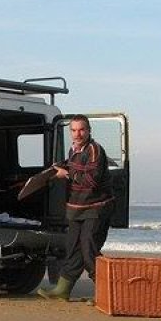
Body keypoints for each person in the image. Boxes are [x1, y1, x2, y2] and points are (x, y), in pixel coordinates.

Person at [38, 114, 114, 301]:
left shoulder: (95, 150)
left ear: (89, 131)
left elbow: (91, 180)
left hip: (96, 207)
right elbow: (75, 168)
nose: (77, 134)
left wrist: (67, 174)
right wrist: (57, 169)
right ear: (70, 132)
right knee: (72, 248)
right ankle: (62, 290)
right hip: (76, 208)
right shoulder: (73, 151)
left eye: (82, 130)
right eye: (74, 130)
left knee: (89, 249)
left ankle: (107, 294)